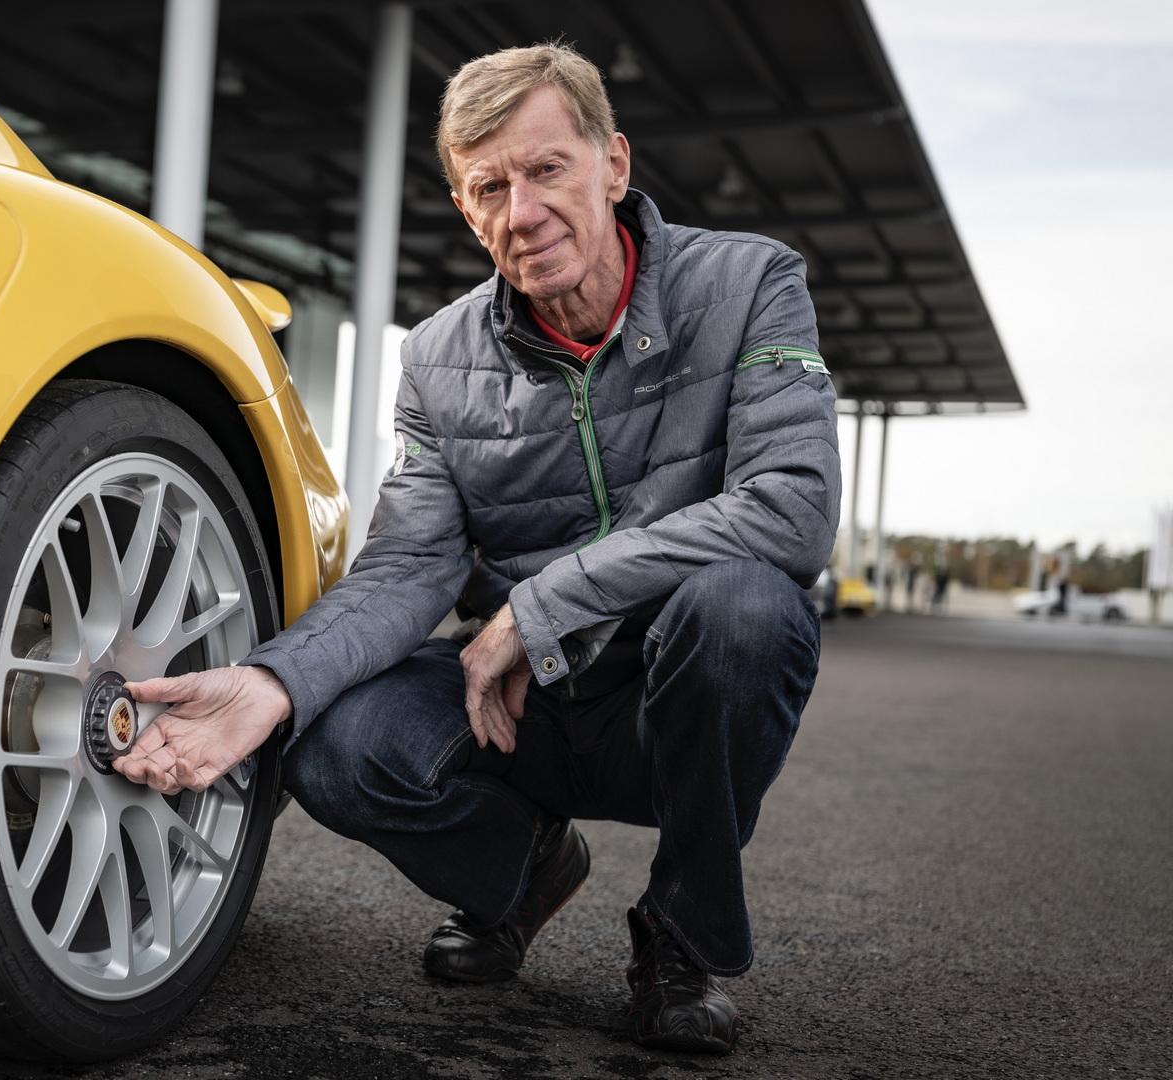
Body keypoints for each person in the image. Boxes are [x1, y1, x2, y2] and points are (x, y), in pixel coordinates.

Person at [113, 43, 839, 1055]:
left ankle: (681, 936)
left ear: (613, 166)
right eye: (489, 186)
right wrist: (270, 687)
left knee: (748, 613)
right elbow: (407, 568)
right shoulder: (436, 355)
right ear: (465, 209)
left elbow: (792, 509)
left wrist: (536, 607)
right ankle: (524, 870)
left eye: (547, 170)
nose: (523, 211)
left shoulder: (751, 281)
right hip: (517, 708)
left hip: (667, 698)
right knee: (331, 739)